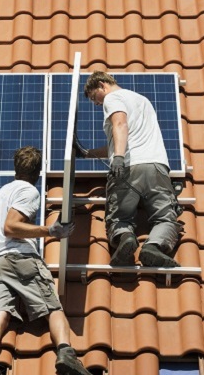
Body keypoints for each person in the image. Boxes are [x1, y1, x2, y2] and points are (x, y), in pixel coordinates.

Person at [0, 146, 96, 375]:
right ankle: (66, 354)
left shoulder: (2, 192)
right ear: (38, 171)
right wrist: (49, 231)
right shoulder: (28, 191)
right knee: (53, 307)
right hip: (20, 259)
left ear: (16, 167)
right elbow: (11, 227)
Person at [77, 71, 181, 268]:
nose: (96, 103)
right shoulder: (142, 100)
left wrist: (118, 157)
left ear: (102, 85)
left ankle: (125, 239)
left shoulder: (113, 98)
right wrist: (88, 153)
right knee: (165, 216)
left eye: (94, 97)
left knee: (120, 217)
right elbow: (122, 136)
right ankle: (154, 246)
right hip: (156, 167)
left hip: (128, 169)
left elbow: (120, 124)